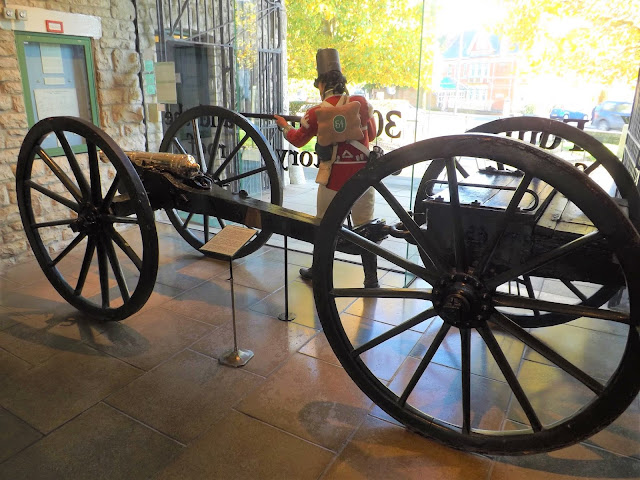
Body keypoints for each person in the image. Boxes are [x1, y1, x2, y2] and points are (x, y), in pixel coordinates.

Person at [274, 48, 379, 288]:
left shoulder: (316, 112)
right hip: (362, 180)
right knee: (367, 230)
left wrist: (283, 125)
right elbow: (371, 134)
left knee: (324, 228)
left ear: (322, 84)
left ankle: (319, 271)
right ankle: (371, 279)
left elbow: (297, 139)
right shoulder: (361, 104)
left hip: (333, 180)